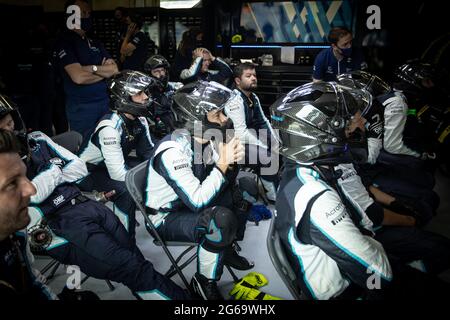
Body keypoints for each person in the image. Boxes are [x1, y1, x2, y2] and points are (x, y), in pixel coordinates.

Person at [271, 82, 450, 300]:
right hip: (353, 288)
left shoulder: (307, 170)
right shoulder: (316, 197)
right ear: (327, 133)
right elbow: (375, 277)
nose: (363, 123)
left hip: (359, 259)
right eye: (353, 121)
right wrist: (387, 270)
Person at [0, 94, 189, 300]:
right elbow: (35, 195)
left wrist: (49, 176)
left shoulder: (37, 139)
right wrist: (54, 169)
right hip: (56, 223)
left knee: (136, 261)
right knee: (132, 268)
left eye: (10, 123)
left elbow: (79, 168)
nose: (10, 130)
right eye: (3, 128)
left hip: (83, 203)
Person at [144, 81, 254, 300]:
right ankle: (203, 282)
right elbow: (197, 201)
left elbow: (223, 180)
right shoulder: (172, 151)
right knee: (219, 220)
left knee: (245, 191)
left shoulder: (205, 139)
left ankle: (226, 247)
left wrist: (230, 163)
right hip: (166, 217)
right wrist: (223, 164)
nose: (224, 119)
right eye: (218, 115)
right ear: (196, 119)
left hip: (187, 203)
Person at [337, 71, 439, 224]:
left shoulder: (369, 112)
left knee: (427, 185)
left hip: (372, 170)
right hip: (366, 178)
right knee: (426, 200)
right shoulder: (339, 127)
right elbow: (368, 159)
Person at [78, 70, 157, 243]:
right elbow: (118, 174)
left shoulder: (140, 119)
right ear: (123, 97)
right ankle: (125, 241)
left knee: (154, 171)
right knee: (125, 190)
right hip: (87, 172)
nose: (145, 97)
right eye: (139, 93)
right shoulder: (110, 127)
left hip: (110, 165)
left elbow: (149, 155)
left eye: (145, 92)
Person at [0, 129, 55, 299]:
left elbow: (33, 285)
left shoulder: (15, 235)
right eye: (11, 184)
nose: (31, 189)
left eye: (24, 176)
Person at [54, 0, 118, 137]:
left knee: (108, 143)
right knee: (84, 149)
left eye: (89, 13)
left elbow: (114, 70)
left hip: (105, 103)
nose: (87, 16)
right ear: (72, 14)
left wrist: (91, 69)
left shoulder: (95, 41)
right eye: (83, 13)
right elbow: (78, 77)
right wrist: (103, 72)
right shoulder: (64, 41)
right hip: (82, 108)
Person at [224, 62, 279, 201]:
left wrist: (275, 142)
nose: (253, 78)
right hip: (234, 144)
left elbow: (263, 121)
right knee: (266, 157)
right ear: (238, 81)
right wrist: (264, 146)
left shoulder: (253, 97)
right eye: (248, 76)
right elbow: (241, 134)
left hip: (250, 137)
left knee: (280, 148)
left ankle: (274, 183)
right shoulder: (234, 100)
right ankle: (273, 196)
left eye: (254, 75)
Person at [144, 54, 183, 135]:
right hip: (157, 133)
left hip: (178, 130)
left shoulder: (175, 88)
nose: (161, 74)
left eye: (162, 70)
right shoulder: (145, 94)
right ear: (150, 74)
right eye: (156, 71)